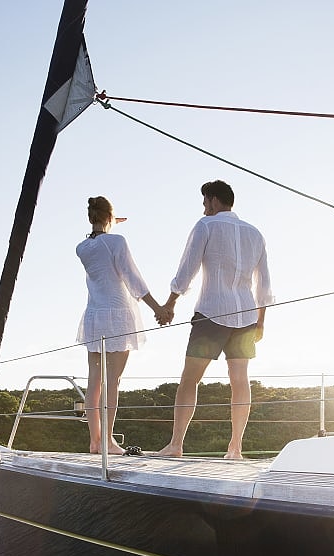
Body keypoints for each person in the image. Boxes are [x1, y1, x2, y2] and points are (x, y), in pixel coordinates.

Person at [158, 180, 273, 459]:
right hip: (246, 316)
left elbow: (187, 270)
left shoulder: (205, 226)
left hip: (211, 313)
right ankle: (235, 448)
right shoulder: (255, 233)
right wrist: (260, 322)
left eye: (204, 201)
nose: (203, 208)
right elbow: (264, 286)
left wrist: (170, 303)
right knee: (240, 381)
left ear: (213, 200)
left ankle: (175, 446)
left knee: (189, 380)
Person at [76, 196, 169, 454]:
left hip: (95, 316)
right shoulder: (117, 241)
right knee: (112, 381)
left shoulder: (82, 248)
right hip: (117, 315)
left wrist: (109, 222)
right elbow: (132, 278)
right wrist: (158, 308)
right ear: (109, 217)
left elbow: (100, 241)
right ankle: (107, 441)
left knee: (94, 381)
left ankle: (95, 440)